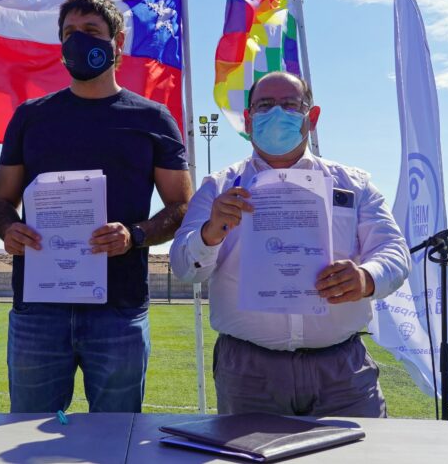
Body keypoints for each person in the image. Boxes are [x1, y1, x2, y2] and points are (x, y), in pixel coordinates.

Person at [0, 0, 192, 413]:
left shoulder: (152, 119)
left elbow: (182, 206)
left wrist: (135, 235)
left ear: (117, 44)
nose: (78, 41)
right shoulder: (31, 116)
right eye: (69, 34)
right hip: (38, 309)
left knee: (117, 441)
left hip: (118, 309)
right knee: (23, 435)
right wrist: (8, 229)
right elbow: (1, 200)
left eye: (91, 32)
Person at [170, 71, 410, 417]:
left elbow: (394, 252)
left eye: (289, 105)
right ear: (249, 121)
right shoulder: (217, 187)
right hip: (249, 374)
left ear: (311, 118)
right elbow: (182, 266)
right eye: (265, 106)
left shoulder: (353, 185)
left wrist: (366, 277)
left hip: (342, 370)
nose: (277, 114)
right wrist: (210, 233)